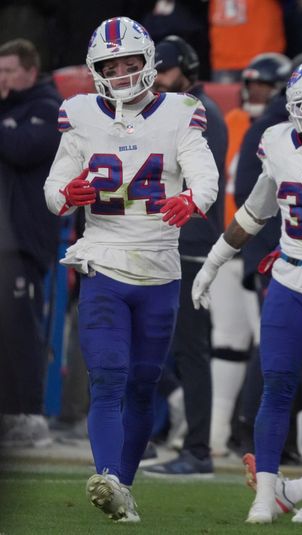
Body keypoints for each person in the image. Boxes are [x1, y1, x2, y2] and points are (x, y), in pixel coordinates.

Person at [42, 16, 218, 522]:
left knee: (143, 383)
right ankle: (110, 479)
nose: (120, 73)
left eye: (129, 63)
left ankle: (125, 484)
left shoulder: (182, 111)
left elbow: (203, 171)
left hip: (160, 267)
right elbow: (55, 185)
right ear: (96, 70)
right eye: (110, 65)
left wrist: (192, 197)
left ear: (149, 63)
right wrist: (65, 194)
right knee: (109, 378)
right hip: (104, 259)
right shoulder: (79, 113)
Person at [190, 58, 302, 524]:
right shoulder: (276, 143)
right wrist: (214, 261)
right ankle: (265, 493)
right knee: (277, 386)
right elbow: (256, 210)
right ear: (295, 107)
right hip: (290, 278)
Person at [142, 35, 228, 476]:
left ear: (184, 70)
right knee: (160, 341)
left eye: (162, 69)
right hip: (173, 236)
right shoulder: (183, 110)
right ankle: (159, 432)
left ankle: (197, 448)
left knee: (190, 348)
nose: (153, 78)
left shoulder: (196, 113)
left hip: (189, 237)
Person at [208, 51, 291, 457]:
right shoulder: (239, 123)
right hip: (232, 237)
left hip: (255, 241)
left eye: (266, 86)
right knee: (230, 340)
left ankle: (238, 431)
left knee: (259, 340)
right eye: (253, 83)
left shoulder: (270, 129)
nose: (257, 91)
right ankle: (218, 431)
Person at [0, 38, 61, 448]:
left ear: (30, 72)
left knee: (20, 332)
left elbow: (22, 149)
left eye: (7, 71)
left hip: (24, 242)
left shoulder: (47, 108)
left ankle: (30, 416)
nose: (1, 79)